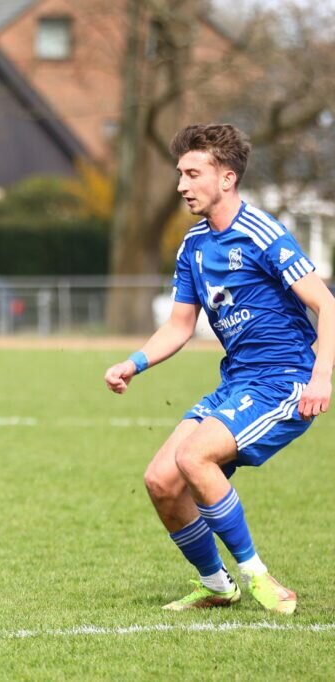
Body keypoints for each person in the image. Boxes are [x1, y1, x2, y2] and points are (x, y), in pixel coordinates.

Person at [104, 123, 333, 614]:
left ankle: (259, 578)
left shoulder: (262, 233)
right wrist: (133, 362)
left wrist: (321, 377)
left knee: (193, 459)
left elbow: (327, 305)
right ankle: (216, 583)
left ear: (226, 178)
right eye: (180, 173)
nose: (182, 185)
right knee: (161, 481)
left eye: (193, 173)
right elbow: (179, 325)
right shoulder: (193, 246)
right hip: (236, 383)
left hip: (284, 381)